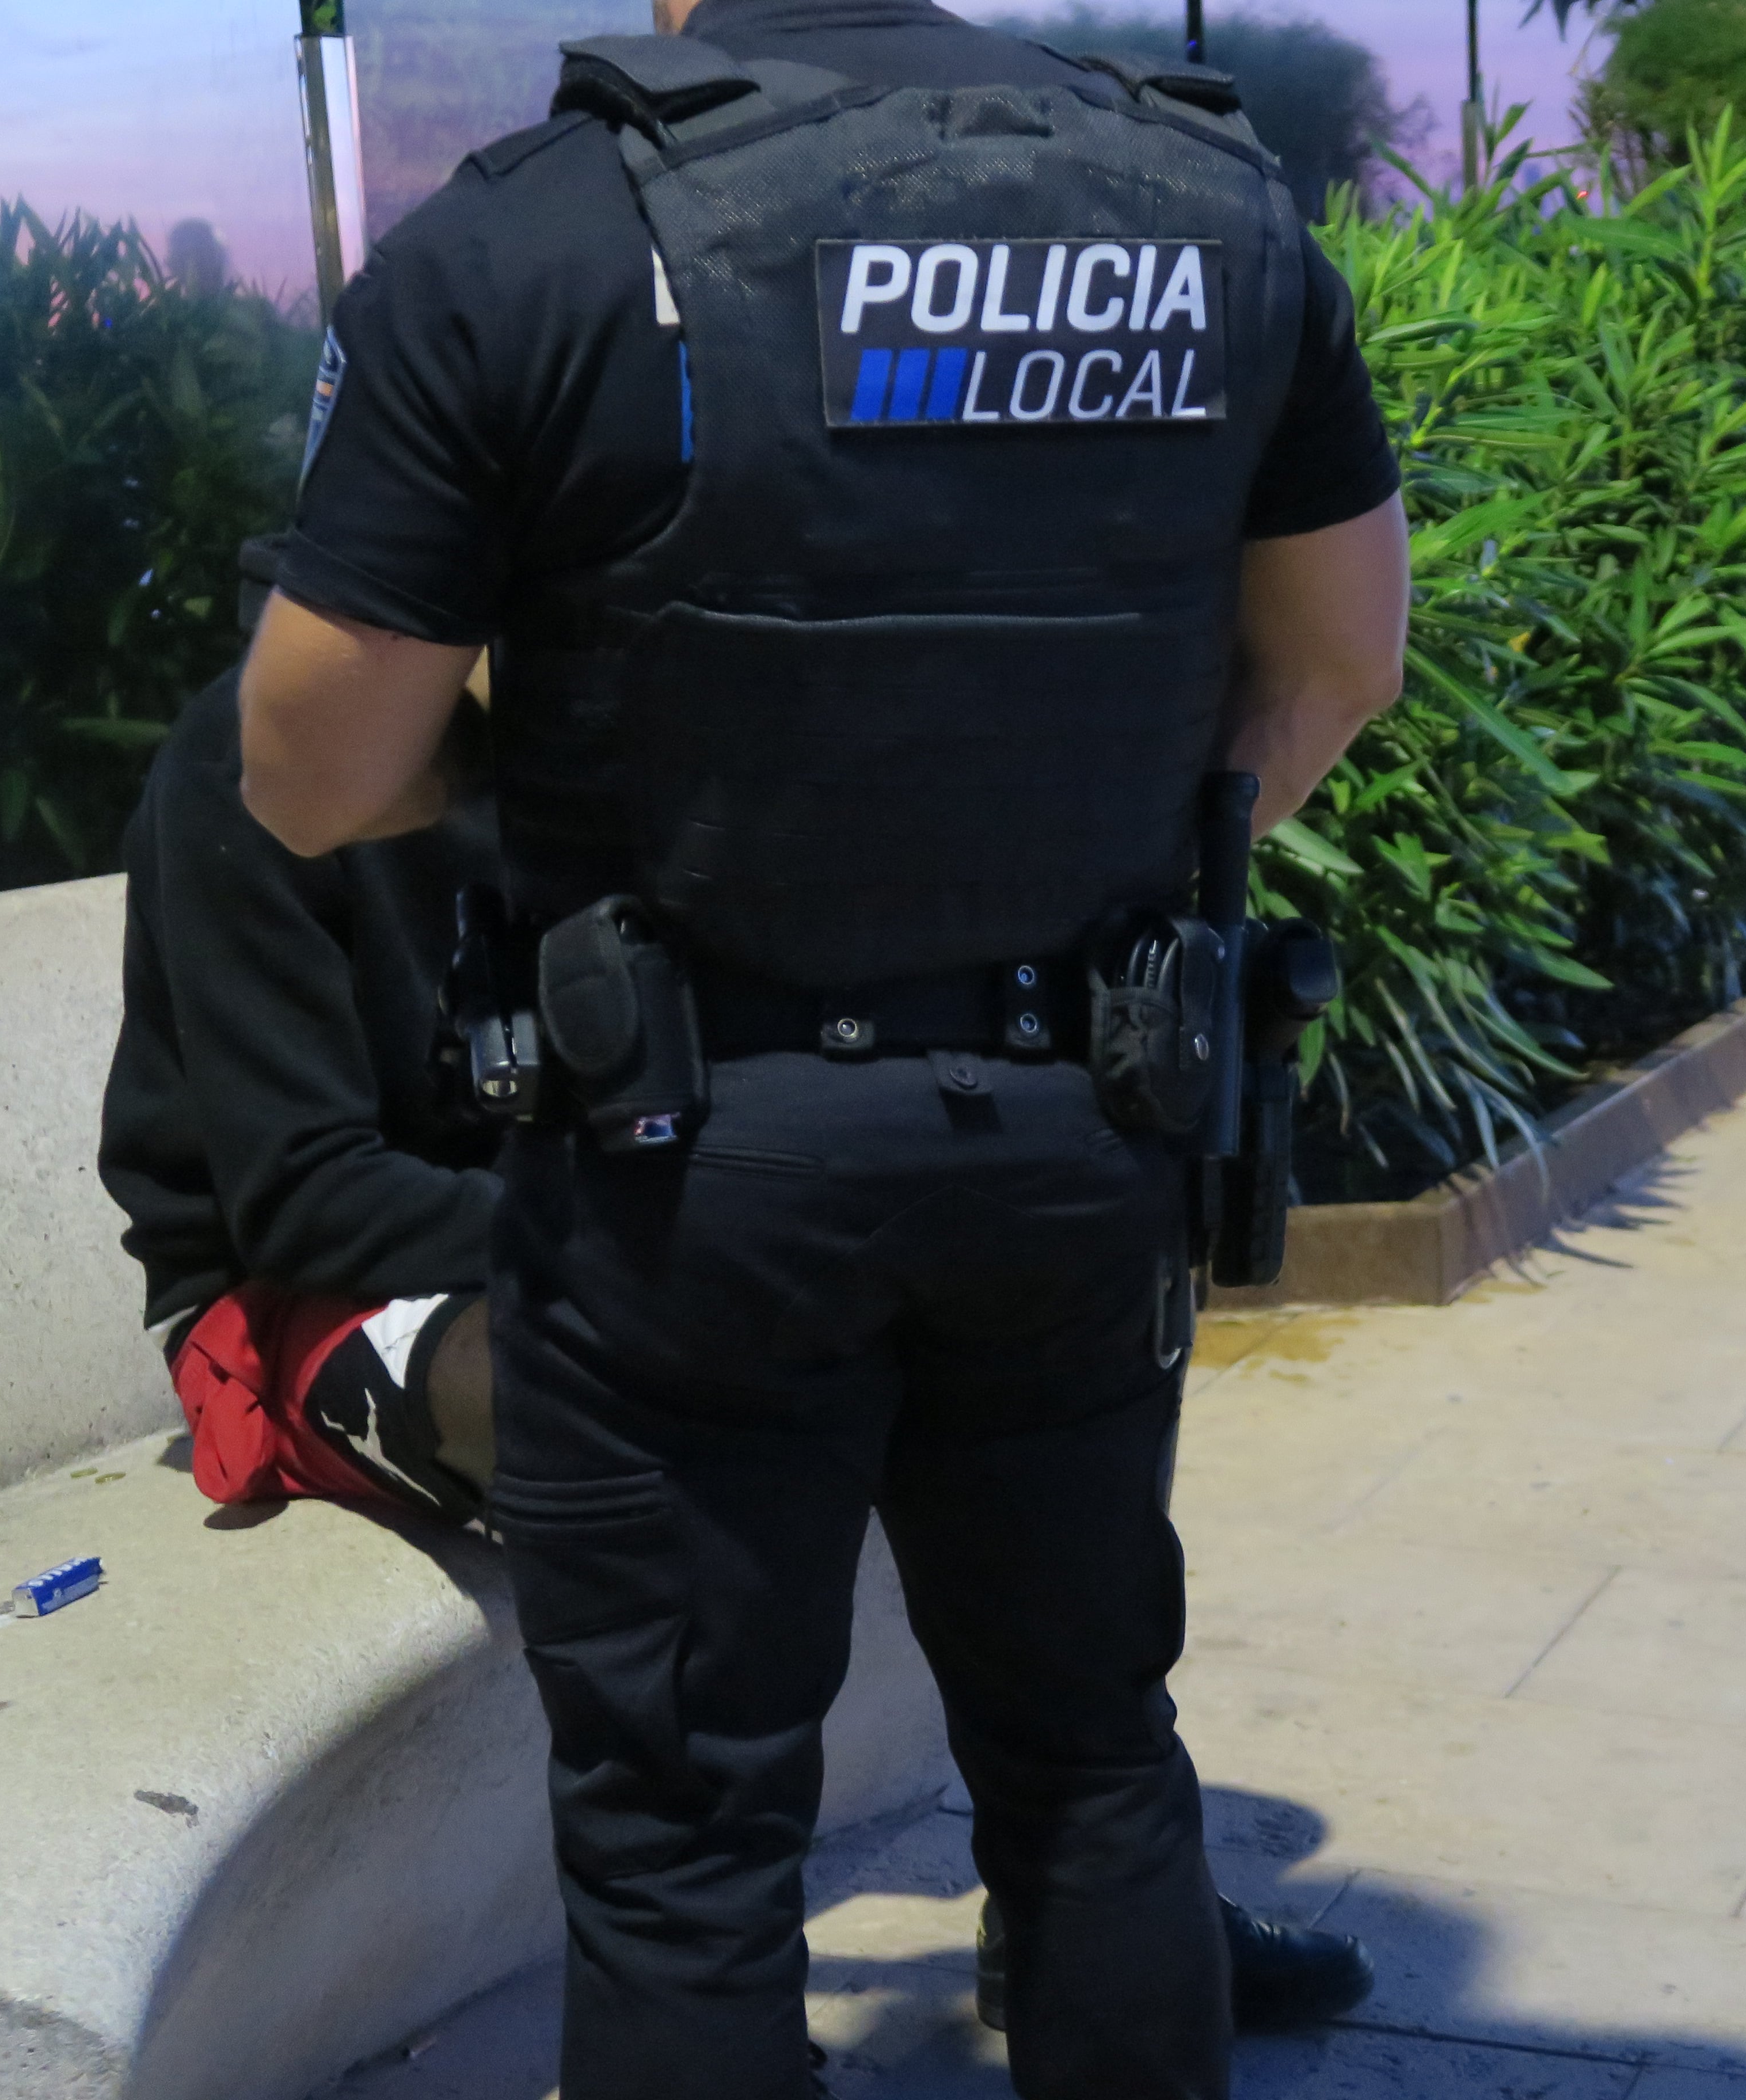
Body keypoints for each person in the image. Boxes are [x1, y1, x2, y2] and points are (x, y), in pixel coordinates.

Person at [232, 2, 1413, 2095]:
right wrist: (1102, 863)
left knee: (688, 1848)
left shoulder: (537, 239)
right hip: (1082, 1131)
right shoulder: (1208, 208)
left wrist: (549, 801)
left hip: (692, 1166)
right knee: (1089, 1758)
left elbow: (316, 773)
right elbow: (1338, 661)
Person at [99, 537, 501, 1527]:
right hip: (284, 1295)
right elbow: (304, 1195)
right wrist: (616, 1243)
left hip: (529, 1233)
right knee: (600, 1393)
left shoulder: (586, 751)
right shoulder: (249, 762)